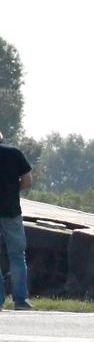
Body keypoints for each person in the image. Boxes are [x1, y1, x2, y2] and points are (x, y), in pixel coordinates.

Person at [0, 130, 33, 310]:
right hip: (11, 211)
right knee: (17, 255)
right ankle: (20, 300)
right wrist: (12, 191)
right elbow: (27, 181)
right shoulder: (14, 153)